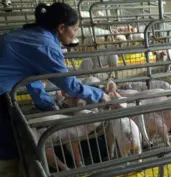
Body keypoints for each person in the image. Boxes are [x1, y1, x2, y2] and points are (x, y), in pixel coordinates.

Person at [0, 2, 109, 161]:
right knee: (12, 144)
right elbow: (69, 85)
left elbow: (31, 76)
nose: (74, 35)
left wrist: (46, 104)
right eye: (75, 29)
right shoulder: (46, 45)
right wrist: (99, 95)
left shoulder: (34, 34)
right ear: (61, 28)